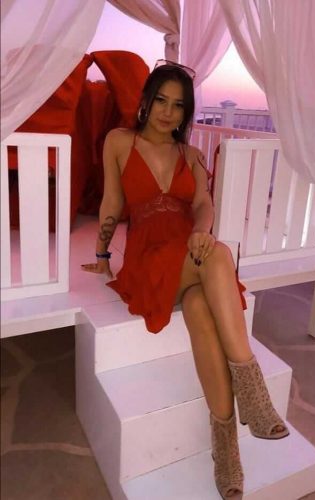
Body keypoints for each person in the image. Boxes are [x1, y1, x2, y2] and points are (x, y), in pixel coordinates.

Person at [82, 59, 289, 499]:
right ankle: (253, 394)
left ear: (186, 112)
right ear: (145, 101)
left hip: (189, 251)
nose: (167, 112)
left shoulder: (189, 155)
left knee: (198, 305)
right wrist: (102, 255)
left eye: (178, 105)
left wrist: (200, 230)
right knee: (220, 255)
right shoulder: (119, 141)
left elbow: (203, 206)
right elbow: (112, 202)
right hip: (148, 257)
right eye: (161, 100)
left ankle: (226, 451)